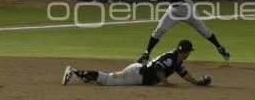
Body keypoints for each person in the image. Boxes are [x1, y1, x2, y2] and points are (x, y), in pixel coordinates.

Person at [62, 40, 212, 87]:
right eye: (188, 52)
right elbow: (159, 68)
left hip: (139, 73)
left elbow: (184, 74)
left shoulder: (177, 61)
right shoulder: (171, 58)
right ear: (184, 52)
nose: (189, 54)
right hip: (135, 74)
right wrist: (166, 83)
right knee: (106, 79)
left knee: (107, 79)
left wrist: (197, 83)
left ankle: (86, 77)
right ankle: (74, 72)